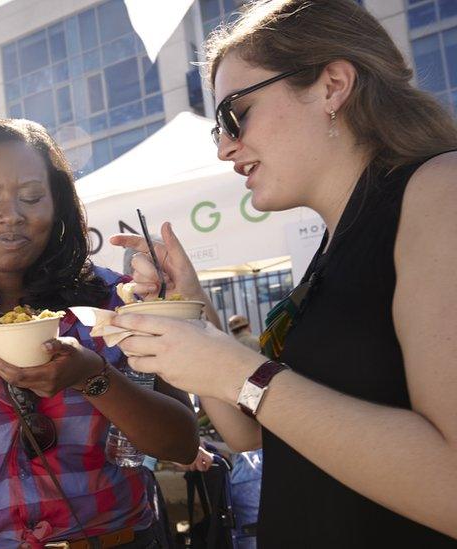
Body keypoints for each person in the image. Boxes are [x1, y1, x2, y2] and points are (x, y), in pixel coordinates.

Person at [110, 0, 457, 545]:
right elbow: (253, 431)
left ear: (332, 85)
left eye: (233, 115)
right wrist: (192, 307)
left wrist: (237, 373)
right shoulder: (335, 241)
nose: (225, 147)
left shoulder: (440, 189)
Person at [0, 118, 199, 547]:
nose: (12, 215)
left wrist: (92, 377)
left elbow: (182, 442)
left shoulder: (112, 301)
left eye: (31, 197)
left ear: (58, 205)